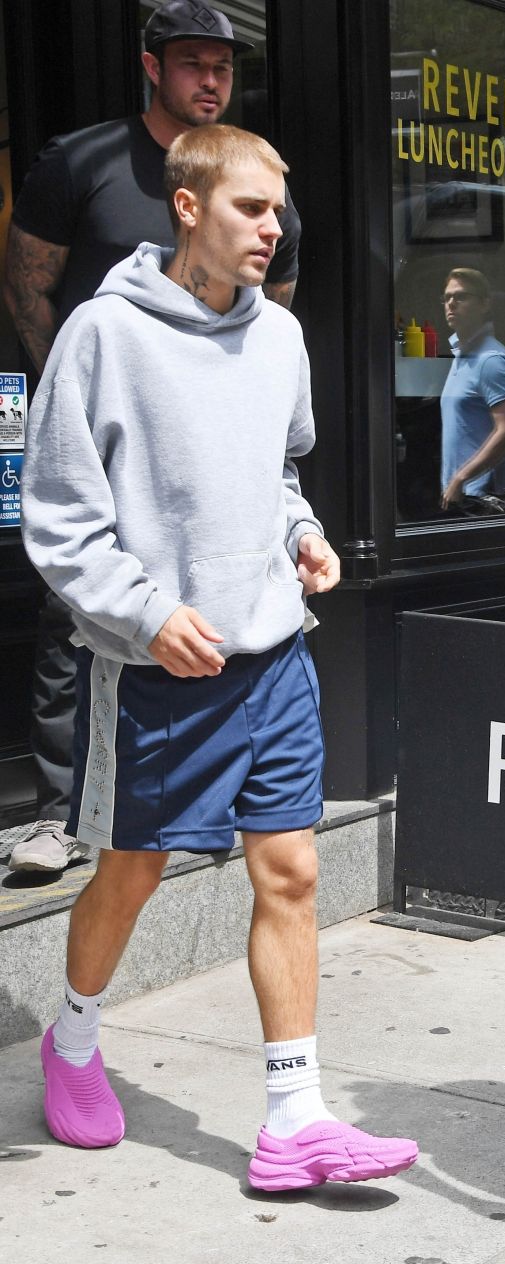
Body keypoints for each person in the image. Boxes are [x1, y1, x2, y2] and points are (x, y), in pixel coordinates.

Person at [20, 124, 417, 1190]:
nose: (273, 229)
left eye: (278, 211)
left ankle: (295, 1117)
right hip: (160, 669)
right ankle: (73, 1033)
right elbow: (57, 519)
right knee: (133, 869)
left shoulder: (278, 340)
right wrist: (145, 614)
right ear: (187, 206)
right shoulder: (102, 336)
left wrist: (301, 535)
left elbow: (276, 475)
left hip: (275, 651)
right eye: (253, 208)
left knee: (289, 868)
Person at [4, 0, 302, 873]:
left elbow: (270, 312)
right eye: (192, 63)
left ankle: (181, 814)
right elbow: (28, 282)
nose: (210, 80)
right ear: (152, 67)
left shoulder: (253, 181)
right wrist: (73, 391)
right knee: (78, 622)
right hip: (103, 424)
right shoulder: (83, 161)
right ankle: (67, 814)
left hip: (206, 461)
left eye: (223, 66)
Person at [439, 267, 505, 513]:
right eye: (447, 297)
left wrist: (460, 477)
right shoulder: (462, 356)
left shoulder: (492, 359)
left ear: (485, 304)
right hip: (462, 499)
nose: (451, 303)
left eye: (461, 296)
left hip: (486, 503)